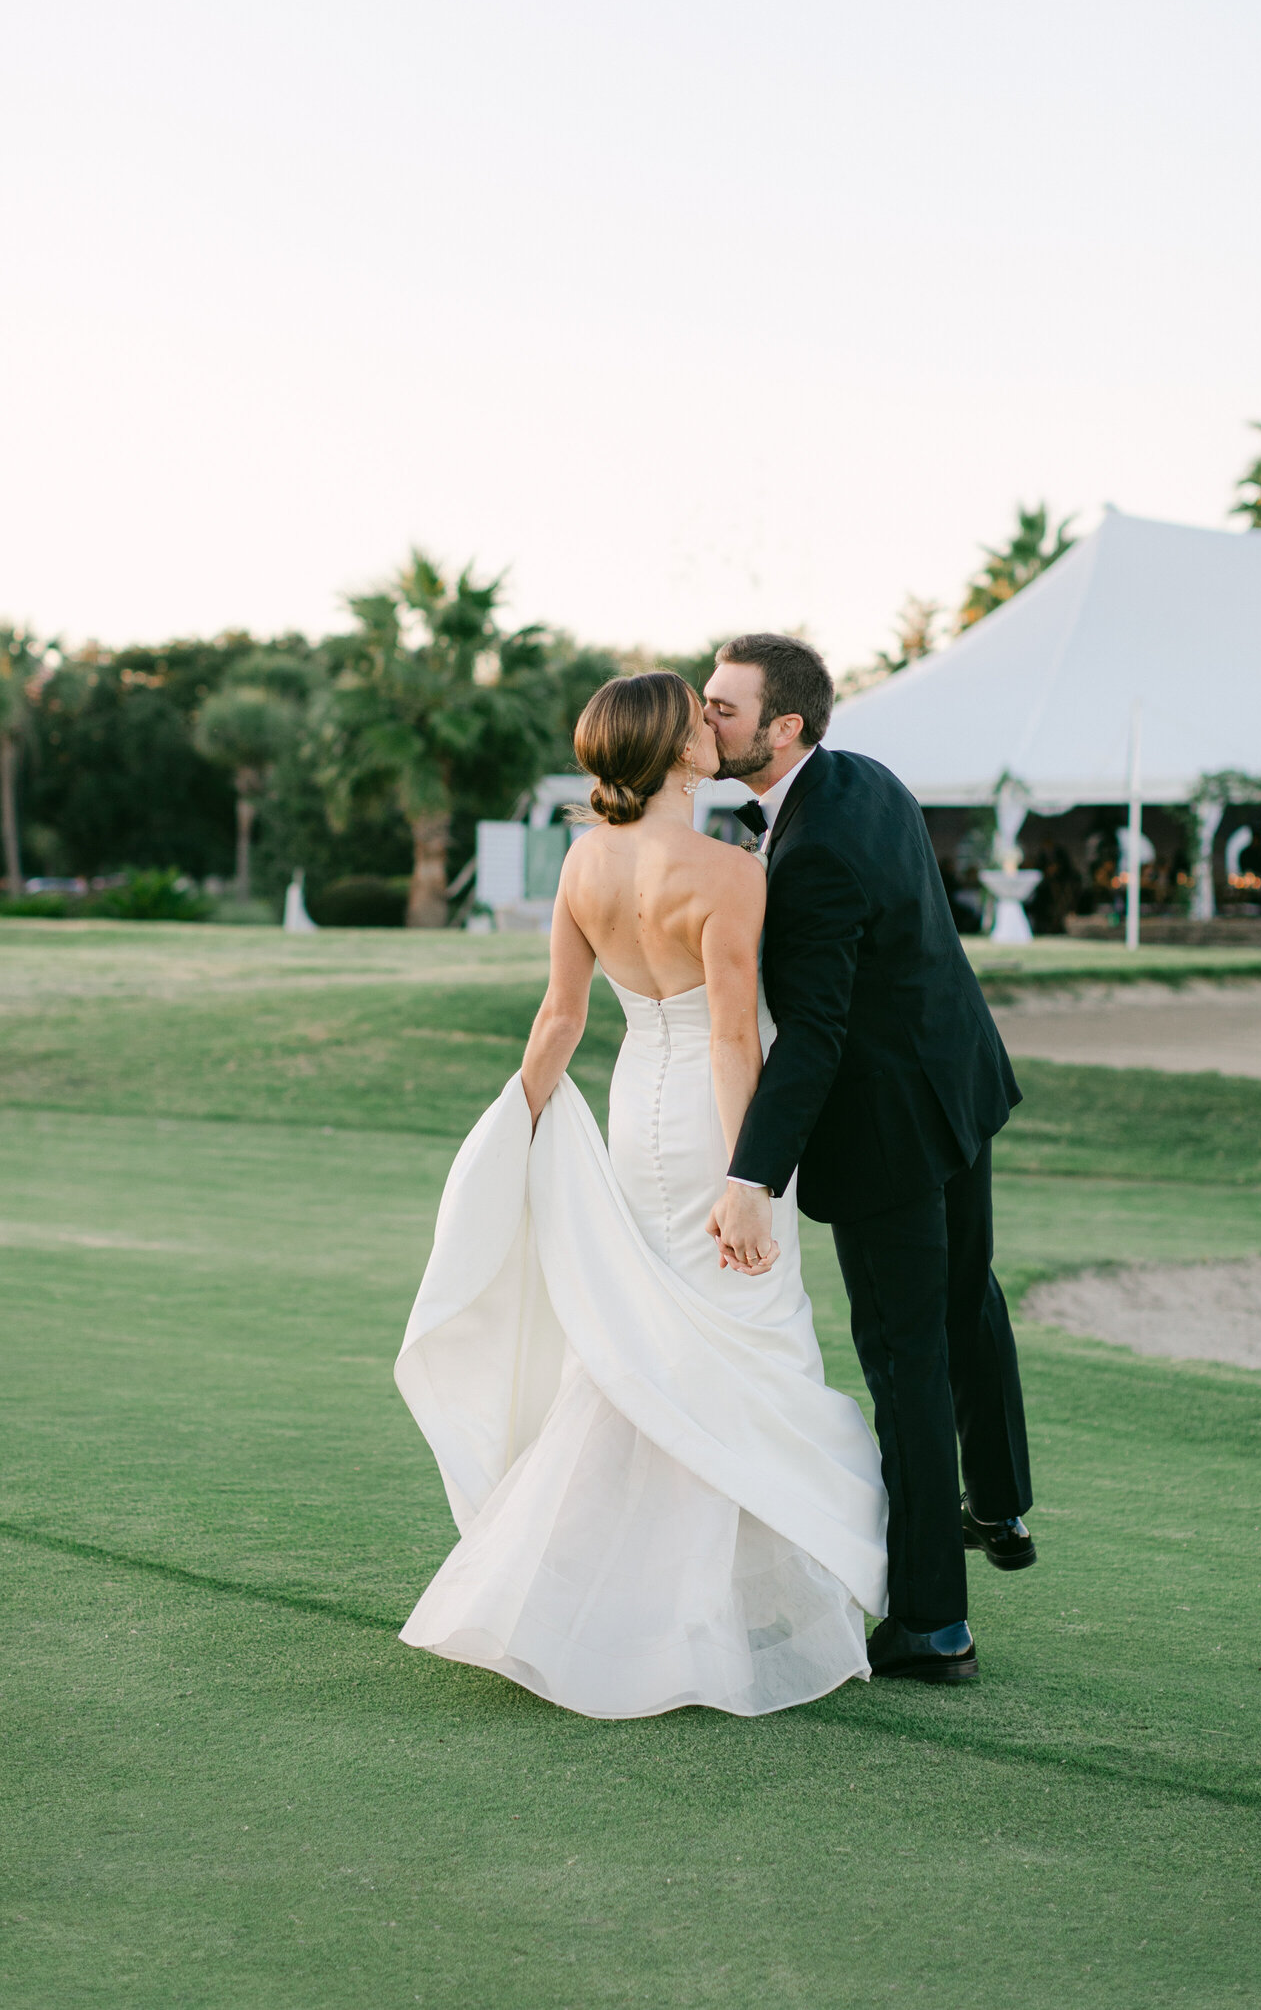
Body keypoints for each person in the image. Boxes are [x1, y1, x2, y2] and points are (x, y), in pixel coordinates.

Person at [396, 671, 887, 1719]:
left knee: (643, 1351)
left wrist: (517, 1122)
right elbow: (726, 1032)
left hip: (632, 1117)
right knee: (734, 1341)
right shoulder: (728, 870)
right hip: (711, 1122)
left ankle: (597, 1597)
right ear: (674, 755)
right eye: (697, 722)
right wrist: (747, 1178)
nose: (714, 730)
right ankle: (692, 1619)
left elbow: (559, 1020)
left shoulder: (582, 861)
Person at [705, 635, 1034, 1684]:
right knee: (961, 1292)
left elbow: (814, 1034)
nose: (702, 718)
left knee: (905, 1360)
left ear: (782, 726)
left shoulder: (812, 853)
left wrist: (751, 1173)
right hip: (958, 1083)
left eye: (721, 705)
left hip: (891, 1125)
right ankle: (1001, 1497)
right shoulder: (866, 780)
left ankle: (934, 1622)